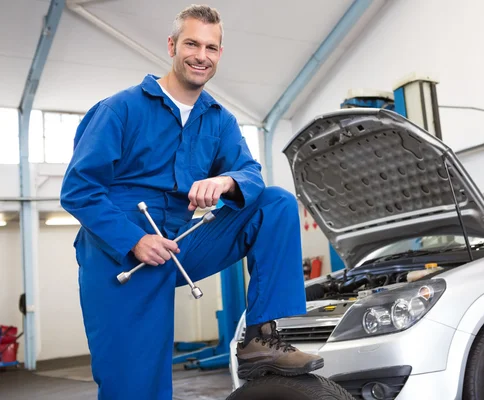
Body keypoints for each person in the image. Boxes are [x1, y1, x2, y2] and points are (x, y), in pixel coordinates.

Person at [60, 4, 323, 400]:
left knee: (275, 204)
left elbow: (250, 173)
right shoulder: (121, 108)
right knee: (134, 386)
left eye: (212, 48)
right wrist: (134, 239)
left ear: (219, 53)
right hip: (119, 255)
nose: (202, 55)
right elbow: (79, 188)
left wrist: (225, 180)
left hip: (183, 243)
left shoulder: (218, 119)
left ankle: (261, 338)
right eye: (192, 44)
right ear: (172, 45)